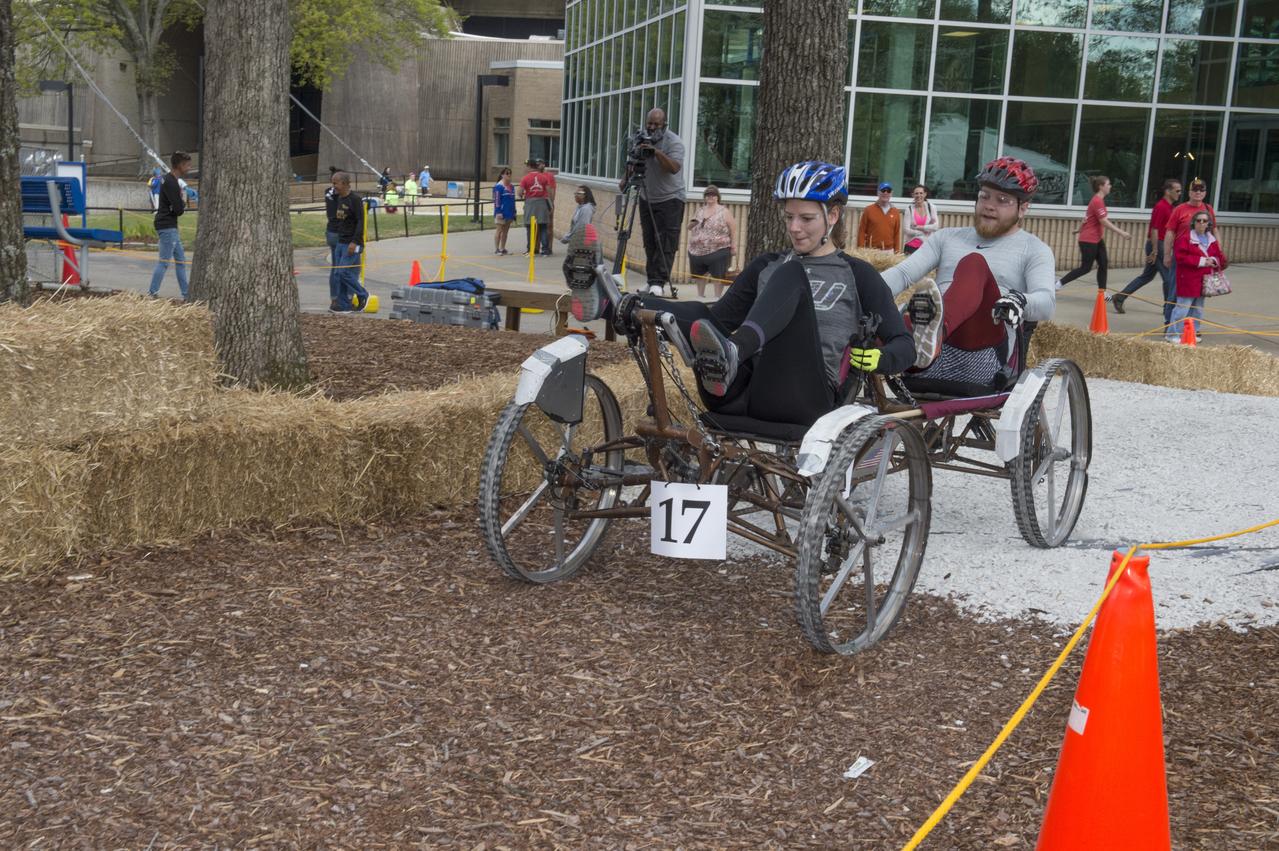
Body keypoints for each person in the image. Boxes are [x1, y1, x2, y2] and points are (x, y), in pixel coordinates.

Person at [571, 161, 914, 428]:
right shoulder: (767, 265)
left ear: (833, 216)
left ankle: (734, 351)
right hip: (739, 393)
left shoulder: (857, 274)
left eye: (807, 218)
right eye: (789, 217)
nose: (795, 227)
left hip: (808, 398)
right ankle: (605, 303)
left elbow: (904, 344)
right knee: (705, 314)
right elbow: (718, 319)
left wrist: (880, 360)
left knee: (793, 271)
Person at [880, 156, 1056, 388]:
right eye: (984, 196)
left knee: (973, 264)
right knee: (864, 292)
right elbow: (903, 274)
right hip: (920, 360)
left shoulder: (1034, 249)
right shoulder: (946, 237)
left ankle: (934, 334)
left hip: (984, 357)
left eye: (1002, 200)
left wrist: (1019, 300)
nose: (989, 205)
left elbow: (1046, 301)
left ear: (1023, 208)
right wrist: (864, 293)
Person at [620, 107, 685, 296]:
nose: (652, 127)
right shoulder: (641, 138)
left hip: (671, 198)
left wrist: (656, 152)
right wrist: (625, 179)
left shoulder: (674, 142)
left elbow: (673, 168)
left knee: (665, 242)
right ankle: (651, 280)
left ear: (664, 124)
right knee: (649, 242)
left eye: (656, 124)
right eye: (649, 123)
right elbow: (633, 161)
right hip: (647, 197)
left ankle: (659, 282)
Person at [1111, 179, 1181, 315]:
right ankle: (1169, 308)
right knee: (1168, 278)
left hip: (1159, 245)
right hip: (1157, 245)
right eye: (1177, 190)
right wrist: (1155, 250)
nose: (1179, 193)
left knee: (1147, 276)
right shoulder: (1161, 206)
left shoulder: (1170, 207)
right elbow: (1154, 229)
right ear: (1168, 191)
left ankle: (1120, 297)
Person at [1055, 174, 1132, 296]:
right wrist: (1121, 233)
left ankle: (1102, 293)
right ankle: (1058, 284)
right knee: (1085, 268)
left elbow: (1086, 219)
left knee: (1103, 263)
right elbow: (1103, 221)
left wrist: (1078, 230)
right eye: (1108, 184)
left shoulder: (1098, 201)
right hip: (1088, 240)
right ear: (1101, 187)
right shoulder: (1097, 201)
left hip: (1096, 239)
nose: (1110, 186)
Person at [1162, 178, 1220, 330]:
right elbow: (1169, 233)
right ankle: (1170, 325)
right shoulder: (1180, 209)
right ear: (1189, 192)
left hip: (1203, 260)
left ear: (1205, 193)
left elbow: (1214, 231)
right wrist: (1167, 255)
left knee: (1199, 297)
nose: (1198, 193)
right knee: (1175, 292)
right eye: (1195, 190)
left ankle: (1191, 329)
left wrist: (1218, 253)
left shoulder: (1208, 209)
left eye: (1201, 190)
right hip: (1183, 259)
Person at [1167, 211, 1226, 344]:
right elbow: (1180, 257)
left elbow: (1220, 257)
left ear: (1208, 224)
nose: (1201, 223)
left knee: (1198, 310)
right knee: (1182, 308)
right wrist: (1202, 261)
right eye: (1198, 220)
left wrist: (1213, 260)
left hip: (1204, 280)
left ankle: (1192, 333)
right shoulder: (1184, 238)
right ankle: (1172, 334)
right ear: (1193, 223)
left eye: (1204, 221)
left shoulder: (1212, 240)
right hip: (1187, 279)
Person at [148, 151, 193, 300]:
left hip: (168, 225)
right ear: (180, 165)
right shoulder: (171, 183)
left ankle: (186, 294)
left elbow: (176, 208)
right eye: (187, 165)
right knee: (164, 262)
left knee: (181, 261)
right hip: (167, 226)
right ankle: (152, 293)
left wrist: (179, 203)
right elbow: (179, 210)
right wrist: (182, 200)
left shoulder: (167, 180)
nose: (189, 168)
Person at [325, 171, 370, 313]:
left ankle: (363, 294)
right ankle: (344, 305)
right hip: (341, 241)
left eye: (335, 183)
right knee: (339, 274)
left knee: (343, 272)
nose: (333, 186)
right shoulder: (339, 199)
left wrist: (355, 242)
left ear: (344, 183)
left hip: (352, 243)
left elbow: (360, 221)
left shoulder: (355, 200)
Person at [686, 185, 736, 298]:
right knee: (699, 275)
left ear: (717, 197)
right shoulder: (699, 210)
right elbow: (689, 227)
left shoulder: (724, 211)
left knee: (718, 275)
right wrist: (693, 223)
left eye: (713, 195)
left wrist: (733, 246)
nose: (710, 197)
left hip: (718, 249)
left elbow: (733, 228)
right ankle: (700, 296)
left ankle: (717, 297)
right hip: (696, 251)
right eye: (708, 195)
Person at [518, 158, 556, 256]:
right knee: (543, 227)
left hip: (531, 203)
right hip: (542, 203)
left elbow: (519, 192)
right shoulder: (543, 177)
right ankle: (545, 250)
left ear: (530, 166)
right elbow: (549, 192)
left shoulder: (525, 178)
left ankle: (531, 249)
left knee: (530, 227)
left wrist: (523, 193)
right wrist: (550, 204)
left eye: (526, 166)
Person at [857, 182, 902, 252]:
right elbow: (862, 231)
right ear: (878, 193)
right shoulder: (868, 210)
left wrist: (897, 251)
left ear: (891, 193)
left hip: (889, 251)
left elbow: (896, 234)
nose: (885, 193)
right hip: (871, 251)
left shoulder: (895, 212)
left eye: (888, 191)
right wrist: (861, 248)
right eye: (883, 190)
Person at [901, 184, 938, 255]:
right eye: (916, 193)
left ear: (925, 194)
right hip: (911, 246)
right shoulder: (909, 209)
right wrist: (921, 232)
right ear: (913, 195)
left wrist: (918, 227)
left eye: (921, 193)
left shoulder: (931, 207)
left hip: (927, 246)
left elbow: (935, 227)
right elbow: (906, 230)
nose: (919, 195)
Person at [492, 167, 516, 255]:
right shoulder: (499, 186)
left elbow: (513, 200)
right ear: (502, 175)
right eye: (507, 173)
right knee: (499, 230)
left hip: (509, 212)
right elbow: (497, 200)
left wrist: (514, 211)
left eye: (510, 173)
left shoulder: (512, 186)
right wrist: (498, 212)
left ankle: (502, 248)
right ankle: (497, 249)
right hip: (501, 213)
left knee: (506, 231)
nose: (509, 175)